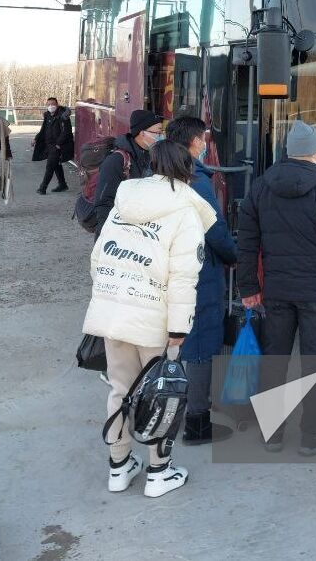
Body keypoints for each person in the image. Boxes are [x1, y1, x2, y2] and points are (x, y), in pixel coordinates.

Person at [82, 140, 217, 498]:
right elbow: (184, 277)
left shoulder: (124, 202)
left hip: (113, 312)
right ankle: (159, 471)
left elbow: (98, 258)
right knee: (163, 393)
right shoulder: (186, 210)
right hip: (155, 320)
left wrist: (113, 297)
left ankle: (119, 467)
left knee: (119, 389)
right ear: (186, 167)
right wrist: (179, 328)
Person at [236, 120, 316, 456]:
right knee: (313, 363)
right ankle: (310, 435)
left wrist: (248, 287)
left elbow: (247, 242)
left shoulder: (260, 187)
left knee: (275, 361)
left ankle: (272, 434)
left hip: (276, 292)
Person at [164, 116, 238, 445]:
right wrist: (234, 255)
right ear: (195, 142)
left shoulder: (159, 174)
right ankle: (196, 423)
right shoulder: (198, 181)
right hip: (200, 272)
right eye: (203, 138)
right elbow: (215, 231)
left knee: (178, 341)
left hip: (167, 270)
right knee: (200, 345)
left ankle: (171, 410)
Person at [93, 109, 163, 237]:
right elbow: (103, 202)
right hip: (116, 232)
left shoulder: (151, 155)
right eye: (158, 133)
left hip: (137, 229)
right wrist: (108, 236)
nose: (161, 136)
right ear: (142, 133)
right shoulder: (117, 160)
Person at [32, 97, 73, 194]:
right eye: (48, 104)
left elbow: (66, 132)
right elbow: (43, 129)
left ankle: (43, 188)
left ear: (57, 105)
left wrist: (58, 144)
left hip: (58, 146)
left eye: (53, 104)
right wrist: (36, 138)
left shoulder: (63, 116)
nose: (51, 106)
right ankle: (62, 184)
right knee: (56, 165)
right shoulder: (47, 115)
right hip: (49, 145)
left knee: (50, 165)